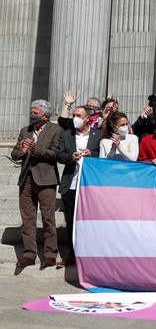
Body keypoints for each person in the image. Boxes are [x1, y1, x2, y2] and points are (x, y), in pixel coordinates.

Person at [11, 100, 63, 268]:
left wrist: (34, 149)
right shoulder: (25, 130)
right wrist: (22, 151)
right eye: (31, 112)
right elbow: (14, 154)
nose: (32, 115)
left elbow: (55, 154)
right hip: (26, 179)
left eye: (35, 113)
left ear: (46, 116)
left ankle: (49, 254)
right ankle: (29, 254)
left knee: (48, 218)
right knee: (28, 219)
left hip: (46, 180)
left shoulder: (56, 130)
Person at [57, 105, 103, 267]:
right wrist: (71, 157)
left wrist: (93, 155)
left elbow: (104, 157)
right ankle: (73, 255)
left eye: (78, 115)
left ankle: (90, 256)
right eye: (74, 115)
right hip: (70, 184)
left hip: (90, 186)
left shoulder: (99, 135)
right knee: (71, 222)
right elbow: (59, 154)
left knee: (90, 222)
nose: (75, 118)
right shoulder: (66, 134)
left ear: (87, 118)